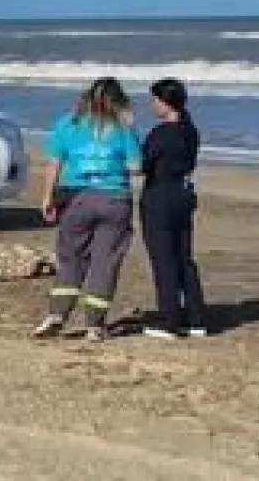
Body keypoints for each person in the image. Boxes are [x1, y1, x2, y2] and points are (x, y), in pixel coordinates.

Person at [33, 77, 142, 342]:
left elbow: (54, 164)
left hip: (76, 198)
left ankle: (57, 314)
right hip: (114, 198)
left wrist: (47, 198)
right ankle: (94, 324)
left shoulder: (67, 124)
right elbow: (135, 166)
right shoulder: (122, 127)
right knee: (105, 262)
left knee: (71, 258)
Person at [139, 78, 207, 339]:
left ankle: (169, 320)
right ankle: (196, 318)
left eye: (155, 100)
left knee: (163, 259)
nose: (153, 105)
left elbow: (143, 164)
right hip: (184, 192)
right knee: (183, 257)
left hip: (161, 195)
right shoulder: (191, 130)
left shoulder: (162, 133)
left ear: (166, 102)